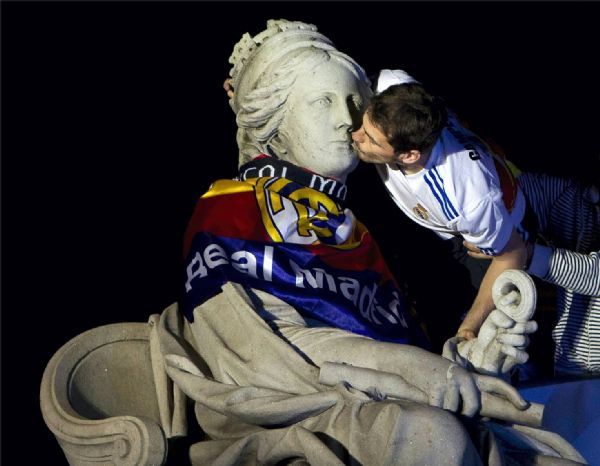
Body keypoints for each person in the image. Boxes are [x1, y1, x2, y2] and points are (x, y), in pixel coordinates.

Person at [154, 19, 589, 465]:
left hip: (380, 397)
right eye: (322, 102)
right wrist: (412, 368)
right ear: (274, 124)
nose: (347, 121)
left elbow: (403, 350)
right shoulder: (231, 208)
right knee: (430, 435)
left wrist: (471, 358)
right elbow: (260, 351)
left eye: (351, 101)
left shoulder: (353, 226)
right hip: (306, 409)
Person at [351, 69, 600, 376]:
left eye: (370, 138)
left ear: (410, 154)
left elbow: (516, 255)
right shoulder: (397, 89)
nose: (354, 136)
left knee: (563, 364)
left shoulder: (470, 201)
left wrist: (468, 327)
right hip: (527, 219)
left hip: (512, 252)